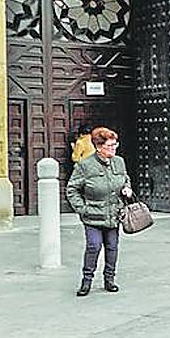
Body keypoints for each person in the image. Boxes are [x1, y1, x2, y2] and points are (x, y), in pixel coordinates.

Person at [66, 126, 132, 296]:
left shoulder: (119, 162)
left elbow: (125, 179)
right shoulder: (85, 165)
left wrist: (126, 188)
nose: (113, 148)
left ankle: (109, 280)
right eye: (109, 145)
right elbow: (72, 189)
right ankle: (86, 281)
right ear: (98, 147)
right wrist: (83, 209)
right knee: (93, 246)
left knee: (112, 247)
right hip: (92, 215)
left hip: (114, 214)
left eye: (115, 145)